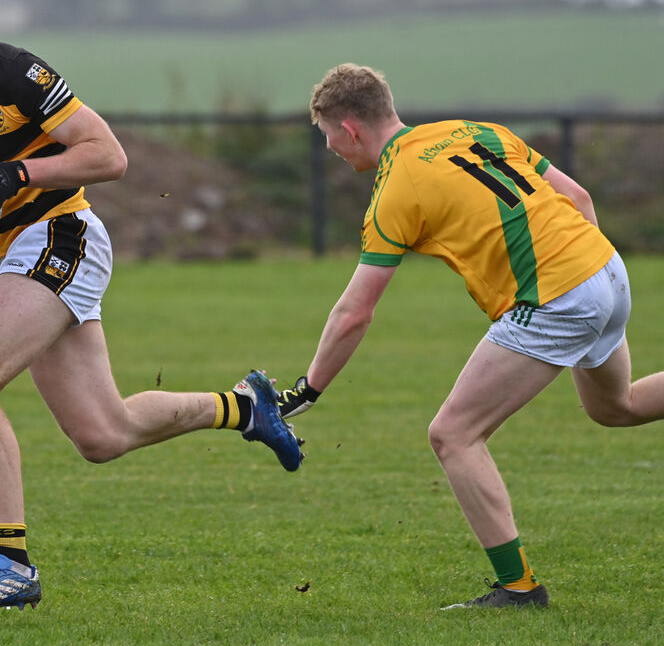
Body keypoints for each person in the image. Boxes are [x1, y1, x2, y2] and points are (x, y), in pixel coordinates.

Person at [0, 0, 303, 611]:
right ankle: (246, 406)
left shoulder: (15, 72)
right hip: (16, 251)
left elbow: (109, 155)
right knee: (104, 435)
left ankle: (11, 564)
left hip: (62, 235)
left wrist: (17, 174)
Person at [274, 63, 664, 609]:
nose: (331, 149)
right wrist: (591, 281)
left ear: (350, 130)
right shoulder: (472, 130)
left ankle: (519, 589)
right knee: (616, 407)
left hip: (559, 296)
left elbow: (354, 313)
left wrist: (309, 389)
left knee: (453, 434)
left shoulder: (396, 186)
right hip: (605, 267)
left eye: (327, 137)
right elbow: (578, 197)